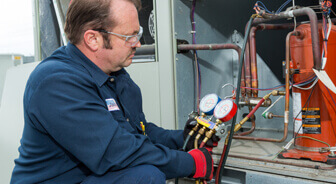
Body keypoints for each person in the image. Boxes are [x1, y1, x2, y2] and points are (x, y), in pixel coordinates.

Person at [10, 0, 215, 183]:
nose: (138, 44)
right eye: (129, 36)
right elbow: (117, 151)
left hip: (89, 177)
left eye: (139, 34)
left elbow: (136, 132)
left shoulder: (115, 74)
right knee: (145, 177)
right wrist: (191, 163)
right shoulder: (56, 82)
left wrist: (185, 138)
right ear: (93, 39)